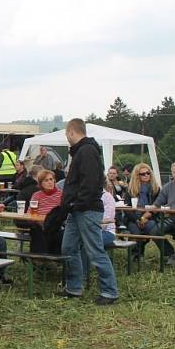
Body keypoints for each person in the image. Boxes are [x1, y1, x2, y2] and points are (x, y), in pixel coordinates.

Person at [59, 119, 119, 305]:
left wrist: (77, 202)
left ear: (71, 132)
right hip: (76, 209)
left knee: (94, 251)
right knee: (68, 248)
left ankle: (109, 292)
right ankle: (74, 288)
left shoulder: (86, 151)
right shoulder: (82, 151)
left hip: (87, 209)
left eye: (66, 135)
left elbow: (91, 183)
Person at [28, 169, 64, 254]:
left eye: (51, 179)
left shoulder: (61, 195)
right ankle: (40, 259)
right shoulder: (36, 195)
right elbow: (29, 214)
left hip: (56, 227)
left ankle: (48, 258)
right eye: (46, 180)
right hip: (40, 226)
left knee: (57, 233)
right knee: (36, 230)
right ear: (41, 183)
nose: (50, 182)